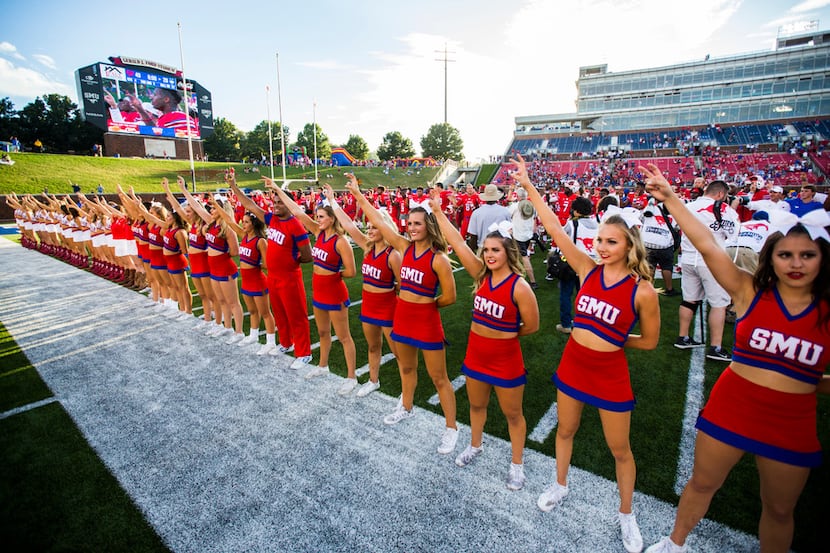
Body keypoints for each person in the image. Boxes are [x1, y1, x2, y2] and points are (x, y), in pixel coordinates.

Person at [641, 164, 830, 553]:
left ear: (822, 258)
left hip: (792, 418)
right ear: (770, 258)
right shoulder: (749, 292)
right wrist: (672, 198)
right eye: (786, 255)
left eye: (807, 255)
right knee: (702, 483)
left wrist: (809, 383)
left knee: (779, 510)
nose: (795, 264)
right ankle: (675, 544)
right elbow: (708, 245)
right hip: (733, 404)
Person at [514, 153, 660, 553]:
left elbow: (648, 341)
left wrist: (613, 341)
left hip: (610, 372)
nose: (602, 247)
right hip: (574, 365)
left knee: (620, 450)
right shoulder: (586, 268)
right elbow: (554, 227)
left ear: (630, 244)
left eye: (611, 242)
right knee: (565, 430)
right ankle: (560, 485)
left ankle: (626, 514)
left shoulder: (643, 290)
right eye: (599, 240)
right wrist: (528, 186)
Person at [429, 190, 540, 490]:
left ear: (508, 253)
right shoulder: (480, 276)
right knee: (476, 407)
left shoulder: (519, 287)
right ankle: (475, 445)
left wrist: (506, 335)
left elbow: (532, 325)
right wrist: (439, 213)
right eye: (487, 249)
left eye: (496, 250)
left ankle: (517, 463)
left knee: (513, 415)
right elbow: (457, 241)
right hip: (476, 356)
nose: (489, 255)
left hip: (505, 359)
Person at [346, 174, 459, 454]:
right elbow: (380, 221)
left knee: (439, 378)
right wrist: (359, 196)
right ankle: (406, 407)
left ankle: (451, 428)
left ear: (429, 226)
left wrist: (427, 305)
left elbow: (450, 296)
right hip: (403, 319)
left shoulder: (439, 259)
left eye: (417, 223)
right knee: (406, 368)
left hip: (426, 321)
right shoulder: (404, 248)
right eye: (409, 224)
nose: (411, 228)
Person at [270, 184, 358, 393]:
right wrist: (277, 189)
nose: (318, 219)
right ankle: (322, 366)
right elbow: (297, 210)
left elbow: (351, 271)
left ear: (332, 218)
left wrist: (332, 275)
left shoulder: (340, 241)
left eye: (321, 216)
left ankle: (352, 377)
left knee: (344, 336)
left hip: (334, 292)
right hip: (319, 292)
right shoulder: (318, 233)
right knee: (323, 332)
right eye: (317, 216)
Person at [324, 184, 402, 398]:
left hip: (387, 306)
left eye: (374, 227)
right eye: (368, 227)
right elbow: (348, 225)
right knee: (373, 346)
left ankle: (406, 394)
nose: (369, 231)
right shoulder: (367, 247)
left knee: (398, 353)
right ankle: (373, 381)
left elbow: (402, 285)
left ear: (385, 228)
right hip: (368, 306)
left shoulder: (393, 255)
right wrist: (332, 201)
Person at [230, 176, 314, 369]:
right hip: (273, 277)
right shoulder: (271, 219)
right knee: (279, 312)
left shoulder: (296, 225)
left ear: (288, 204)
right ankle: (286, 343)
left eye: (279, 202)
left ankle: (304, 353)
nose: (275, 206)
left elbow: (307, 256)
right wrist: (234, 186)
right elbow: (250, 205)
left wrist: (290, 262)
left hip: (290, 277)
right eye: (274, 202)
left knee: (296, 315)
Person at [672, 179, 739, 362]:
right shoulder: (726, 210)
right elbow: (733, 234)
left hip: (688, 257)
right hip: (712, 260)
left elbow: (678, 228)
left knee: (689, 300)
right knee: (719, 303)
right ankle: (716, 346)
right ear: (720, 194)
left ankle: (683, 336)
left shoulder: (688, 206)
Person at [212, 199, 278, 356]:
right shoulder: (243, 236)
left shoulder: (261, 241)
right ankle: (253, 336)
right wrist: (216, 205)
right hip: (246, 281)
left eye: (247, 222)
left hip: (258, 281)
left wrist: (253, 264)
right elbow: (229, 220)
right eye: (243, 222)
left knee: (265, 313)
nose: (243, 225)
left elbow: (268, 265)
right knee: (252, 311)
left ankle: (271, 342)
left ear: (254, 224)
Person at [508, 188, 539, 289]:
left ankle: (532, 281)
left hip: (518, 235)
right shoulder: (532, 206)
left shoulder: (515, 206)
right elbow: (535, 218)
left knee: (522, 257)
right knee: (523, 256)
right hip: (528, 234)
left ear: (518, 196)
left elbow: (508, 215)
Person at [466, 184, 510, 250]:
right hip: (500, 247)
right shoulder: (505, 211)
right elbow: (509, 231)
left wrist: (472, 251)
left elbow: (473, 235)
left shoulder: (477, 212)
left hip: (483, 246)